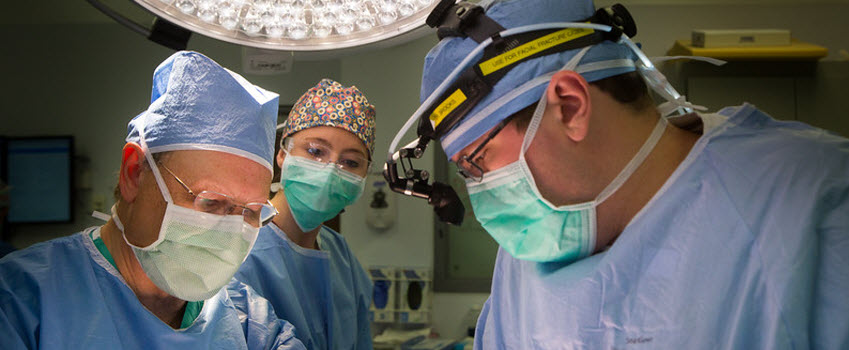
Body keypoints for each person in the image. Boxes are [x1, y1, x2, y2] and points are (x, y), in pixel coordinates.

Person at [386, 0, 849, 348]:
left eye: (477, 161)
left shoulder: (815, 205)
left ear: (570, 106)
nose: (478, 190)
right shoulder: (533, 247)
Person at [0, 51, 305, 349]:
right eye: (210, 202)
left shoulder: (250, 324)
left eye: (251, 212)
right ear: (134, 173)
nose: (230, 230)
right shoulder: (22, 302)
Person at [236, 79, 375, 350]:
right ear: (282, 154)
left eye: (350, 162)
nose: (330, 170)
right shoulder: (240, 249)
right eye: (315, 151)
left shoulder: (341, 255)